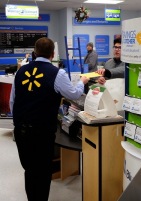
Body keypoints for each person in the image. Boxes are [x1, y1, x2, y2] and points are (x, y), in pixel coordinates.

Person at [9, 37, 89, 201]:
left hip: (22, 131)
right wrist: (82, 82)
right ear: (53, 54)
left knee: (30, 170)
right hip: (42, 132)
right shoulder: (57, 73)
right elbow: (73, 94)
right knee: (43, 171)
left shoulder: (21, 72)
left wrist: (19, 122)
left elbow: (13, 101)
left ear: (34, 53)